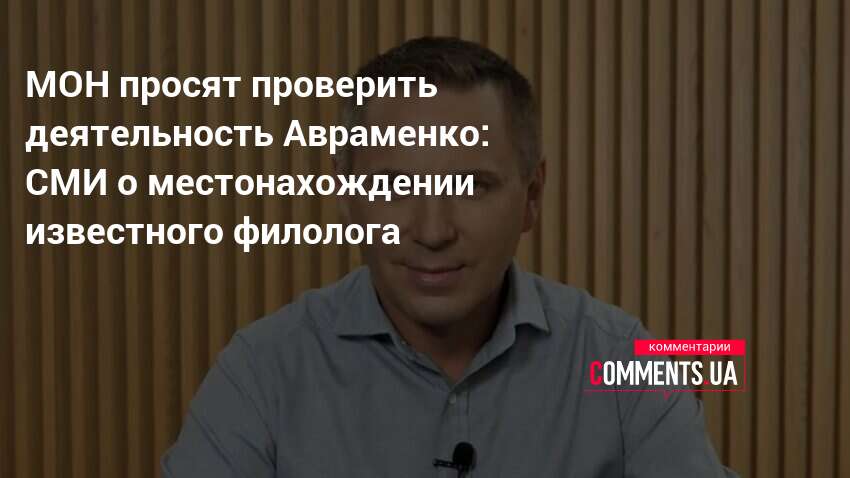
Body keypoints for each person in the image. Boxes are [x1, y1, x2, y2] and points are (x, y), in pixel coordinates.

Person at [162, 36, 737, 477]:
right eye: (395, 187)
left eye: (470, 186)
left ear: (532, 197)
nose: (432, 231)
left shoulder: (629, 363)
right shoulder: (260, 373)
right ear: (347, 194)